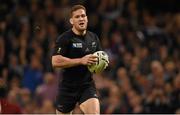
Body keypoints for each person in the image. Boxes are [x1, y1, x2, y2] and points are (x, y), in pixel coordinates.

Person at [51, 4, 102, 114]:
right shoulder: (64, 38)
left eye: (83, 16)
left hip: (87, 86)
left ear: (87, 19)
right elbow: (55, 61)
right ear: (71, 21)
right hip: (67, 88)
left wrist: (102, 64)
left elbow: (99, 59)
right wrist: (80, 60)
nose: (81, 19)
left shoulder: (93, 38)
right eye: (77, 17)